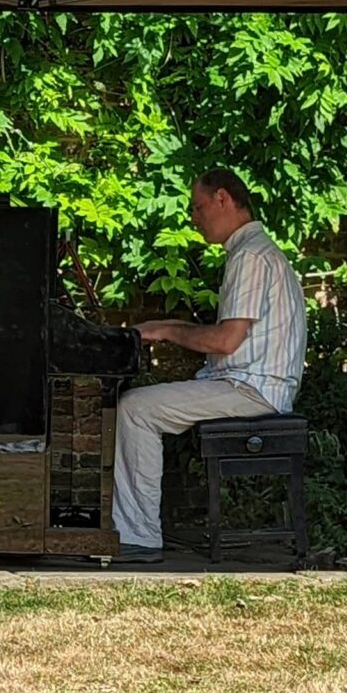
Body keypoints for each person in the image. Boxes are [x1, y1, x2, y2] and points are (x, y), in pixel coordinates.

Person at [112, 168, 307, 563]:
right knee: (142, 403)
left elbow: (225, 340)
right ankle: (136, 532)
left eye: (198, 207)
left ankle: (137, 538)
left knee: (135, 408)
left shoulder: (250, 255)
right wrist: (166, 328)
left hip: (253, 389)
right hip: (254, 384)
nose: (193, 219)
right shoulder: (254, 250)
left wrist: (165, 330)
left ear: (222, 198)